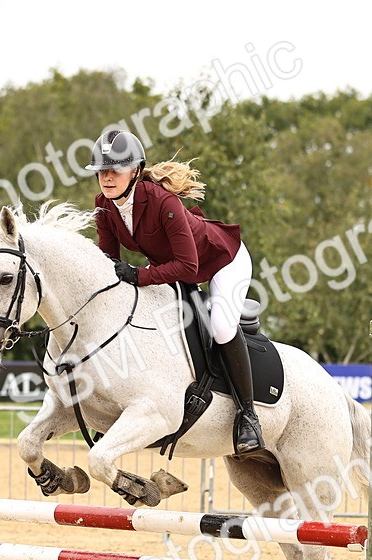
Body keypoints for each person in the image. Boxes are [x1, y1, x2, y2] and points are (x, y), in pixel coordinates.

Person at [87, 129, 263, 455]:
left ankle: (248, 416)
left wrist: (139, 276)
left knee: (221, 325)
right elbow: (109, 262)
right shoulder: (104, 206)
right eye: (101, 171)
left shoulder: (162, 202)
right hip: (175, 267)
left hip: (222, 260)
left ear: (136, 171)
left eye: (115, 170)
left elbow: (187, 265)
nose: (107, 178)